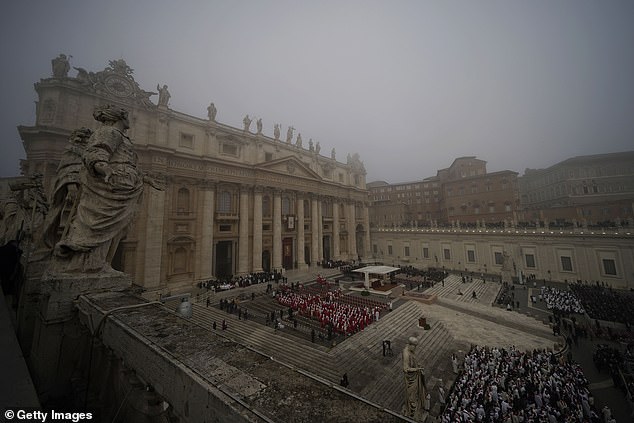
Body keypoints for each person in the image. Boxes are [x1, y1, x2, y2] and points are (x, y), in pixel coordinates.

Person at [53, 105, 145, 274]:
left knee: (116, 228)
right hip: (110, 185)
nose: (129, 118)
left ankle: (101, 264)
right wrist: (103, 166)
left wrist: (143, 177)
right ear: (118, 117)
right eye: (125, 115)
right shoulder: (109, 132)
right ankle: (88, 265)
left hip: (122, 186)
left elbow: (127, 162)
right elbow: (96, 151)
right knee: (99, 225)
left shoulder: (121, 137)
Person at [40, 127, 93, 249]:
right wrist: (71, 186)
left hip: (86, 190)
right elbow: (67, 169)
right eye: (87, 138)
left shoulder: (88, 153)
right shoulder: (72, 150)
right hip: (72, 191)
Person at [402, 337, 426, 419]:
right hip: (410, 378)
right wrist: (417, 369)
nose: (415, 348)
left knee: (415, 393)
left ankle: (414, 408)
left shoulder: (409, 350)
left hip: (414, 375)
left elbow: (414, 360)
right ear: (410, 345)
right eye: (414, 346)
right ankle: (412, 411)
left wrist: (417, 366)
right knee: (412, 394)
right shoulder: (406, 354)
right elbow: (405, 369)